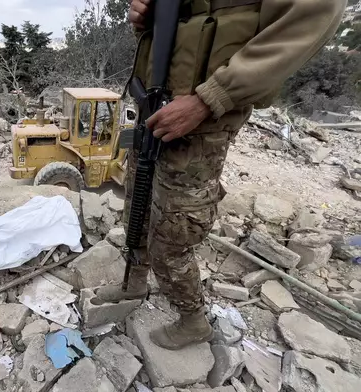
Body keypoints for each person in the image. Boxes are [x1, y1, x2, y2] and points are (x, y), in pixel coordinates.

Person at [97, 0, 346, 350]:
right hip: (153, 109)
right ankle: (135, 281)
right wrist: (144, 19)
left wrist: (209, 98)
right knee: (136, 210)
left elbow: (310, 16)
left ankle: (193, 321)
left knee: (172, 236)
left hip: (200, 123)